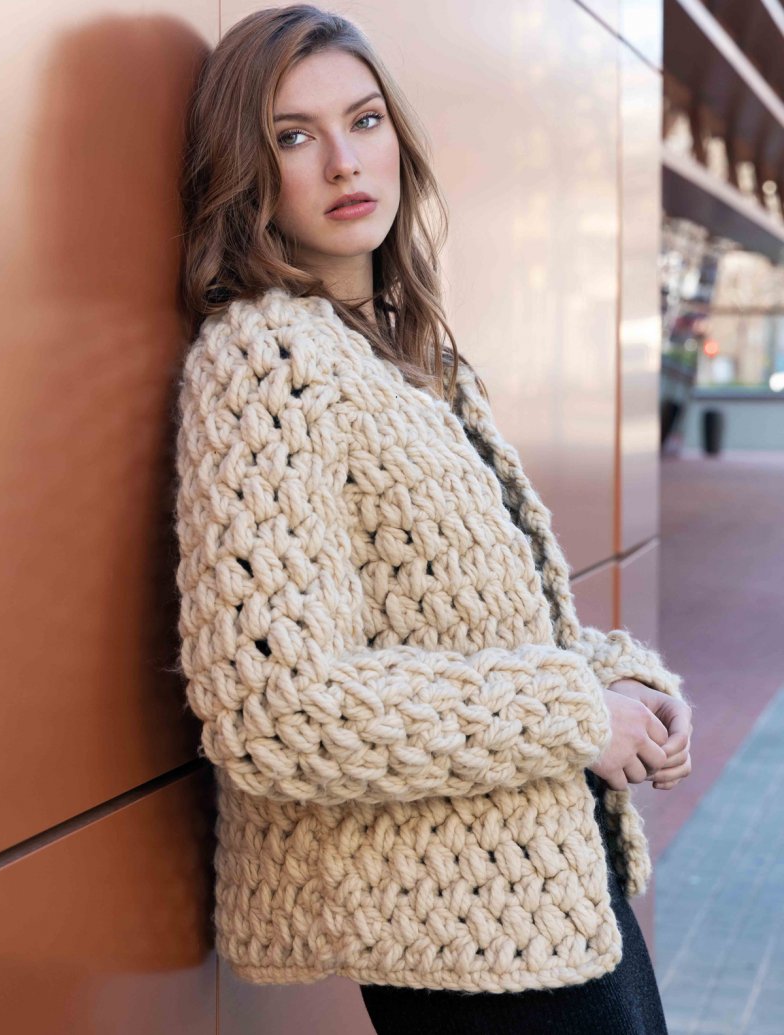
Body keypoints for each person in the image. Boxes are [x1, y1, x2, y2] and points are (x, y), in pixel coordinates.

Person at [174, 5, 694, 1033]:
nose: (343, 161)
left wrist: (622, 683)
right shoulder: (266, 362)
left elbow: (474, 639)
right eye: (293, 135)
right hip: (463, 935)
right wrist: (576, 714)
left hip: (548, 892)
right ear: (247, 168)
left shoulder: (415, 363)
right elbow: (278, 707)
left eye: (363, 120)